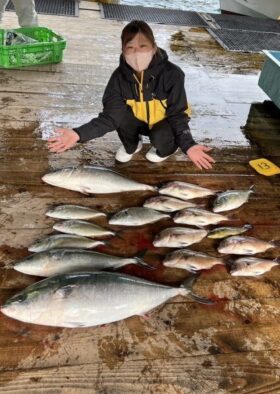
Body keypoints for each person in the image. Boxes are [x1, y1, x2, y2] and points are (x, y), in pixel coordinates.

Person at [48, 20, 215, 169]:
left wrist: (188, 145)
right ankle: (132, 145)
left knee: (161, 138)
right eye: (130, 47)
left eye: (143, 47)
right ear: (123, 50)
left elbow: (177, 113)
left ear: (154, 48)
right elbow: (110, 118)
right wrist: (78, 133)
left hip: (165, 122)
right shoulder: (117, 79)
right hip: (138, 120)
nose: (137, 53)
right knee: (121, 117)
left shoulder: (173, 74)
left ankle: (165, 150)